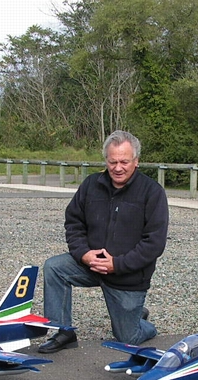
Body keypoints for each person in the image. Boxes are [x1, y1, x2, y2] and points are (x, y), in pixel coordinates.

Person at [38, 130, 169, 353]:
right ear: (106, 160)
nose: (118, 168)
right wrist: (83, 254)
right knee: (55, 267)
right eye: (112, 161)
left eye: (124, 162)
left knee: (127, 337)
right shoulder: (91, 185)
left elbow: (154, 244)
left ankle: (140, 321)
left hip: (127, 276)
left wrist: (117, 264)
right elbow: (74, 223)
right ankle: (63, 331)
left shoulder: (152, 193)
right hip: (90, 265)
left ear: (136, 162)